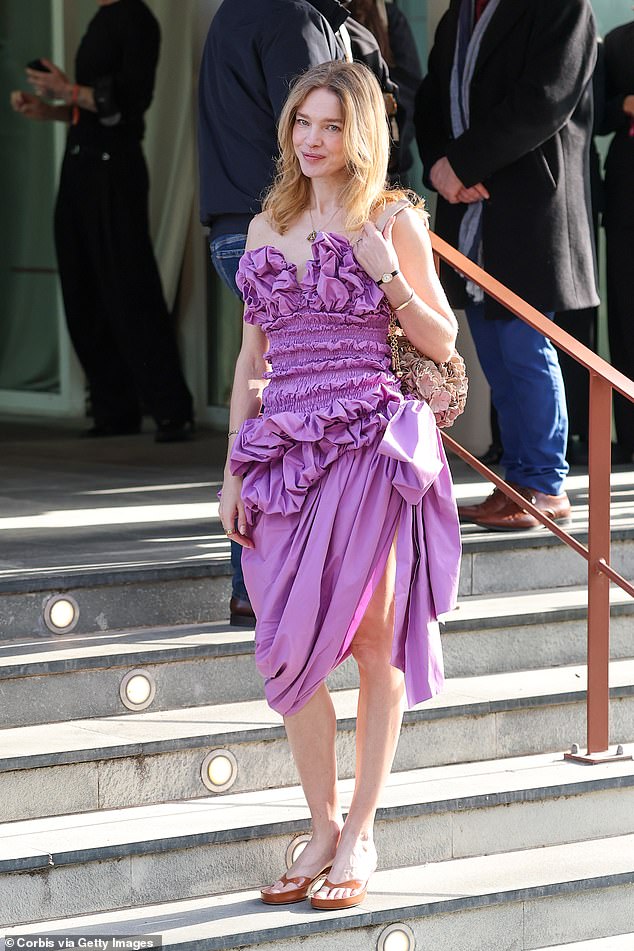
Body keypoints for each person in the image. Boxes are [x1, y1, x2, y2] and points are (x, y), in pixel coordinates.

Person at [219, 61, 461, 910]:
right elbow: (252, 362)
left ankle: (359, 830)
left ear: (359, 132)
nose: (312, 140)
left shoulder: (392, 216)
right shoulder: (263, 226)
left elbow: (438, 338)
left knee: (370, 643)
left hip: (366, 447)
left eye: (329, 125)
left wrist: (385, 270)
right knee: (290, 647)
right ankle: (319, 824)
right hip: (284, 454)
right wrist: (232, 471)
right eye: (300, 124)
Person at [198, 0, 392, 625]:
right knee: (298, 388)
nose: (313, 133)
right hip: (285, 227)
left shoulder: (234, 12)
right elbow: (327, 116)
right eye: (306, 125)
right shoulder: (294, 20)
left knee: (280, 383)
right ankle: (275, 576)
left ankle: (258, 580)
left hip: (235, 224)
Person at [415, 0, 599, 530]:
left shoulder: (563, 7)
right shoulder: (458, 14)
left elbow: (545, 98)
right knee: (495, 352)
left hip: (527, 206)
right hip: (469, 208)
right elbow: (432, 97)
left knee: (524, 347)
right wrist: (440, 167)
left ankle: (543, 485)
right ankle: (514, 483)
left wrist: (463, 163)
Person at [10, 0, 193, 442]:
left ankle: (171, 409)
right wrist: (50, 107)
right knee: (81, 287)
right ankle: (115, 408)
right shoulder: (102, 18)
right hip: (81, 164)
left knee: (130, 285)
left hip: (114, 168)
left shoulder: (135, 18)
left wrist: (67, 90)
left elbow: (127, 105)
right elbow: (91, 110)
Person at [599, 19, 634, 464]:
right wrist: (624, 103)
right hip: (626, 200)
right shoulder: (620, 41)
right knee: (626, 317)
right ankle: (630, 438)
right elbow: (595, 116)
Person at [345, 0, 422, 182]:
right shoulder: (312, 14)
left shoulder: (385, 13)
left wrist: (388, 152)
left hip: (381, 160)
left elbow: (409, 93)